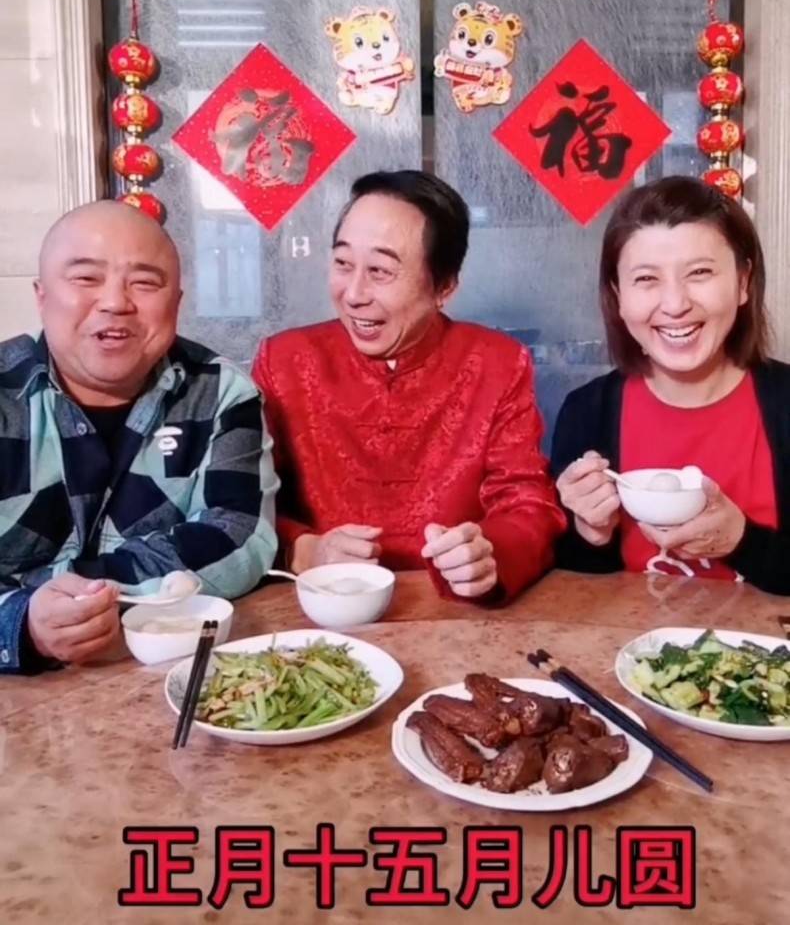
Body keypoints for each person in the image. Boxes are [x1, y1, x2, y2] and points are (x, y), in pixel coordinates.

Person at [252, 169, 566, 605]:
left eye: (381, 271)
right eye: (343, 263)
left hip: (454, 613)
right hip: (320, 610)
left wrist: (490, 551)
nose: (354, 293)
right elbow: (243, 503)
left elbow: (528, 503)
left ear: (444, 286)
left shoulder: (497, 363)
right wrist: (304, 548)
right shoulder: (285, 361)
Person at [0, 200, 279, 675]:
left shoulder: (220, 391)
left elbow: (238, 536)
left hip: (167, 680)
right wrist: (21, 619)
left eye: (145, 282)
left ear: (177, 303)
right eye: (86, 278)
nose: (115, 302)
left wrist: (75, 594)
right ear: (42, 295)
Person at [550, 174, 790, 595]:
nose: (675, 305)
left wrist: (744, 542)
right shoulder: (588, 412)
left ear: (743, 282)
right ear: (618, 294)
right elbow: (576, 597)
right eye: (646, 279)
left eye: (699, 272)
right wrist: (590, 532)